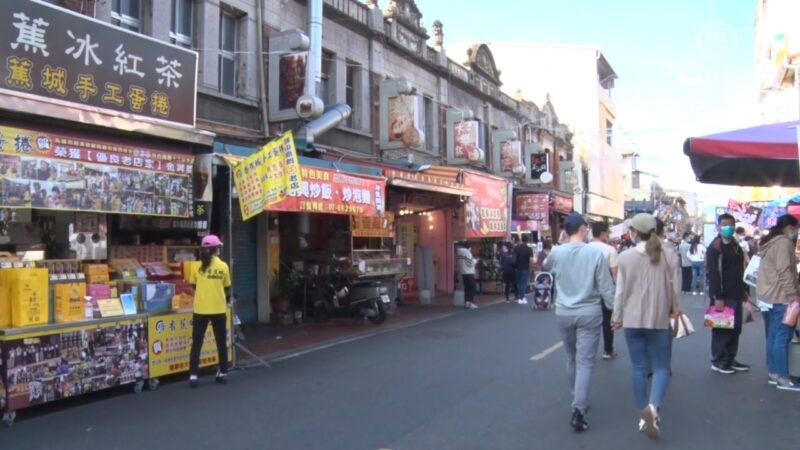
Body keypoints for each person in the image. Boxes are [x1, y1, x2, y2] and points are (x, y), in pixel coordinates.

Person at [544, 212, 615, 433]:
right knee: (585, 362)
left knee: (571, 358)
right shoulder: (595, 253)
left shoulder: (557, 252)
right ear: (583, 229)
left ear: (566, 230)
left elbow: (545, 268)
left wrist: (561, 243)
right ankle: (579, 408)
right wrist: (615, 312)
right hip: (590, 312)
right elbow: (605, 286)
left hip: (564, 312)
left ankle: (577, 398)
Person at [612, 214, 678, 439]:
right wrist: (673, 310)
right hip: (659, 319)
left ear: (634, 232)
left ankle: (643, 415)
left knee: (639, 369)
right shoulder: (669, 254)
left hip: (632, 320)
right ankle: (653, 407)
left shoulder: (625, 256)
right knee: (661, 367)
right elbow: (675, 290)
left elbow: (620, 290)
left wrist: (616, 315)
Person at [756, 214, 800, 391]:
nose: (796, 232)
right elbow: (785, 271)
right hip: (782, 296)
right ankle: (783, 376)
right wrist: (793, 296)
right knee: (783, 336)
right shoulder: (783, 243)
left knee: (774, 335)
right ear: (789, 227)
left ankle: (774, 372)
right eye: (795, 228)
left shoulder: (772, 243)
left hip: (770, 295)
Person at [706, 213, 749, 375]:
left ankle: (730, 358)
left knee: (735, 329)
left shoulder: (735, 245)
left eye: (731, 224)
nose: (728, 227)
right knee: (721, 329)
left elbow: (740, 270)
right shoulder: (715, 247)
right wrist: (717, 296)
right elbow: (715, 273)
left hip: (736, 293)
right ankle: (719, 360)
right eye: (725, 224)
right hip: (722, 296)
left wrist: (744, 290)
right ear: (718, 226)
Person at [188, 235, 232, 388]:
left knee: (197, 343)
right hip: (219, 309)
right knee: (221, 342)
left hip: (200, 310)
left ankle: (193, 375)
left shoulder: (195, 267)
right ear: (216, 249)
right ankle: (223, 372)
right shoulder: (223, 266)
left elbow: (193, 286)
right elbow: (227, 287)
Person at [589, 222, 619, 360]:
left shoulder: (584, 248)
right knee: (607, 322)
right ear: (602, 234)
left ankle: (587, 351)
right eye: (608, 232)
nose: (609, 235)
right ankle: (608, 350)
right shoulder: (610, 250)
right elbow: (615, 274)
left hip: (587, 290)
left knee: (588, 322)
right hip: (605, 291)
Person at [456, 241, 479, 310]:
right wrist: (476, 261)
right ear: (469, 247)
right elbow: (470, 263)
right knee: (473, 287)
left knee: (467, 288)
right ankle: (470, 303)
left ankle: (466, 302)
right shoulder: (467, 252)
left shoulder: (459, 252)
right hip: (469, 272)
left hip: (463, 272)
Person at [513, 235, 534, 305]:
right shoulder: (529, 249)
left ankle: (520, 297)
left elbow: (514, 259)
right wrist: (531, 268)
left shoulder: (516, 248)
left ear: (521, 240)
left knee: (519, 283)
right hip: (526, 268)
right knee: (523, 283)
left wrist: (514, 266)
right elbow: (531, 260)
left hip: (517, 268)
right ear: (527, 241)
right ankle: (522, 297)